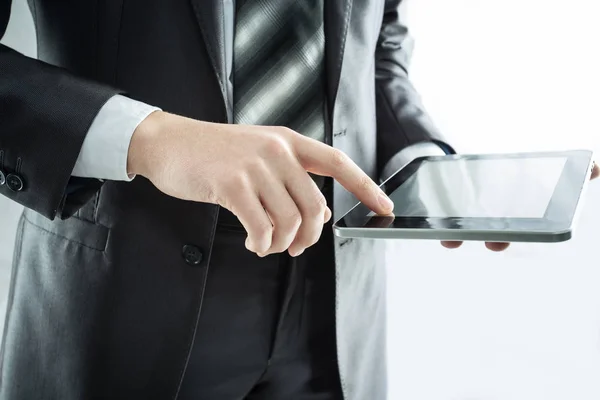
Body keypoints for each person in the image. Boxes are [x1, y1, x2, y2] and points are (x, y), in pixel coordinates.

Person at [0, 1, 597, 399]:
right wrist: (149, 137)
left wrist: (424, 163)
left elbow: (378, 48)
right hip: (119, 294)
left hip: (336, 311)